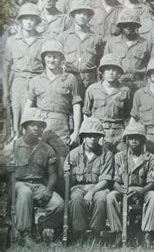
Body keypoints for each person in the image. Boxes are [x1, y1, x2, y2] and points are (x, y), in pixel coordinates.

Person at [9, 108, 64, 247]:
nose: (37, 128)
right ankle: (25, 234)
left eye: (40, 126)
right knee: (25, 192)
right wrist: (6, 169)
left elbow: (53, 175)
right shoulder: (13, 146)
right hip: (19, 184)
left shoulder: (47, 149)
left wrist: (49, 189)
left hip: (39, 185)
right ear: (24, 127)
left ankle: (39, 227)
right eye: (33, 125)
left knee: (59, 204)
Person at [106, 122, 154, 248]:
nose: (134, 141)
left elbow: (152, 181)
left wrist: (142, 190)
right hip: (124, 192)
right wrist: (119, 188)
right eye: (131, 138)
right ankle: (118, 233)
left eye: (138, 138)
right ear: (126, 140)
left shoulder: (149, 158)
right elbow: (115, 180)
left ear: (142, 140)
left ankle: (147, 234)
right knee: (111, 196)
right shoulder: (119, 156)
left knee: (153, 196)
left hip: (142, 192)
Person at [64, 118, 114, 241]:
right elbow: (69, 182)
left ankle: (96, 233)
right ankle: (79, 233)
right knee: (75, 198)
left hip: (99, 187)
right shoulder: (73, 154)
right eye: (89, 135)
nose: (93, 139)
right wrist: (67, 172)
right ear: (83, 137)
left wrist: (92, 191)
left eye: (96, 136)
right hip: (79, 187)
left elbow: (106, 180)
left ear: (100, 137)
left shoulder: (107, 154)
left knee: (101, 199)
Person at [25, 39, 82, 144]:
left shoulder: (70, 78)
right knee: (40, 158)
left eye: (55, 57)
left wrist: (76, 131)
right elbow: (28, 107)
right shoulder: (35, 81)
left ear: (61, 59)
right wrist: (27, 130)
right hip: (41, 126)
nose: (51, 60)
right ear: (43, 58)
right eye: (48, 57)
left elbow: (76, 106)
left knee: (61, 158)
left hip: (62, 127)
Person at [3, 3, 45, 137]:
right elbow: (6, 67)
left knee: (35, 119)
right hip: (18, 84)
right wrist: (5, 91)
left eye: (32, 18)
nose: (28, 22)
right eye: (25, 18)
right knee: (17, 120)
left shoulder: (43, 41)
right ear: (20, 20)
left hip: (37, 82)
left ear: (37, 21)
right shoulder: (12, 41)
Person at [83, 54, 132, 153]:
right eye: (107, 69)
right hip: (99, 132)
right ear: (102, 72)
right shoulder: (92, 89)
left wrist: (126, 134)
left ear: (118, 72)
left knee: (120, 162)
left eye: (114, 69)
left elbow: (128, 117)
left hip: (119, 132)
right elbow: (86, 114)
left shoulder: (125, 91)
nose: (111, 72)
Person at [58, 0, 105, 95]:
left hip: (90, 81)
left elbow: (100, 62)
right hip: (69, 80)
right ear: (73, 15)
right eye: (79, 13)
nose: (82, 16)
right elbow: (59, 61)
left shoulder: (96, 38)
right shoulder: (64, 37)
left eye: (85, 14)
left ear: (89, 17)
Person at [104, 9, 151, 94]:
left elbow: (150, 68)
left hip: (139, 85)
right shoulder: (111, 43)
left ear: (137, 26)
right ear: (120, 26)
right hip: (118, 85)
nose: (129, 27)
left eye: (132, 24)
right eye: (125, 25)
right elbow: (105, 67)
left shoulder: (145, 43)